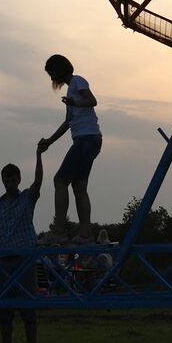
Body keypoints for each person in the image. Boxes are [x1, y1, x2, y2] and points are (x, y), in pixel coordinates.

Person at [0, 139, 45, 343]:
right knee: (3, 310)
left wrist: (39, 155)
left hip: (25, 259)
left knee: (29, 309)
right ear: (2, 181)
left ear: (19, 180)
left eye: (13, 179)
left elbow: (38, 181)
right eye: (6, 179)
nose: (10, 182)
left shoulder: (28, 197)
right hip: (2, 261)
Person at [40, 54, 102, 243]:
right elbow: (68, 123)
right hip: (91, 140)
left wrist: (75, 102)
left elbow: (92, 100)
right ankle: (85, 234)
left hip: (85, 140)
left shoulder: (77, 81)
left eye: (52, 73)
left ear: (59, 70)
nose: (51, 78)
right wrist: (49, 141)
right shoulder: (71, 93)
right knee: (79, 186)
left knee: (60, 180)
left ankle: (59, 231)